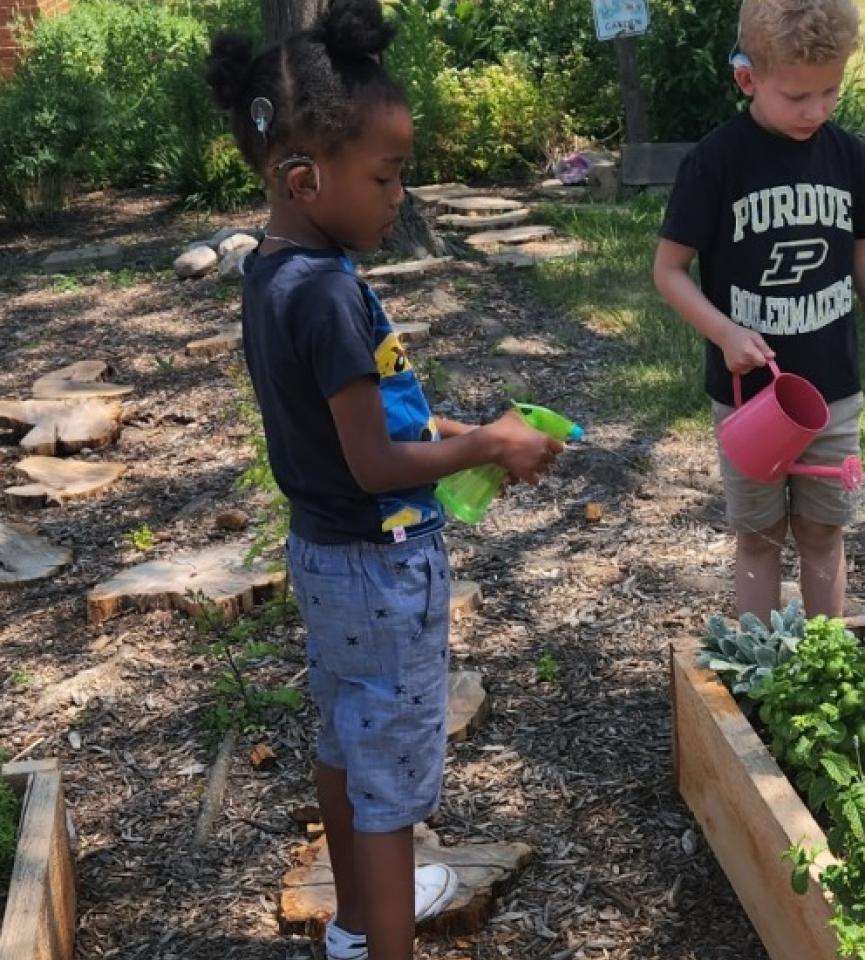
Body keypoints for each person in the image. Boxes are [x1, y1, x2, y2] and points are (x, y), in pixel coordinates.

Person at [205, 3, 562, 958]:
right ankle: (386, 931)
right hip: (379, 567)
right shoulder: (326, 291)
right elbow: (374, 464)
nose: (399, 194)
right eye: (386, 175)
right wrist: (487, 447)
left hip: (326, 559)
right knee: (393, 786)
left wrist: (460, 427)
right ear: (303, 176)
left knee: (345, 745)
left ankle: (358, 923)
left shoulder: (279, 271)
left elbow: (360, 423)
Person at [653, 0, 865, 622]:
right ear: (747, 78)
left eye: (830, 91)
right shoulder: (716, 162)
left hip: (832, 392)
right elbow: (668, 271)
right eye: (797, 96)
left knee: (825, 532)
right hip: (751, 399)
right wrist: (724, 333)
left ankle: (822, 663)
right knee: (758, 537)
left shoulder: (849, 157)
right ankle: (763, 679)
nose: (817, 110)